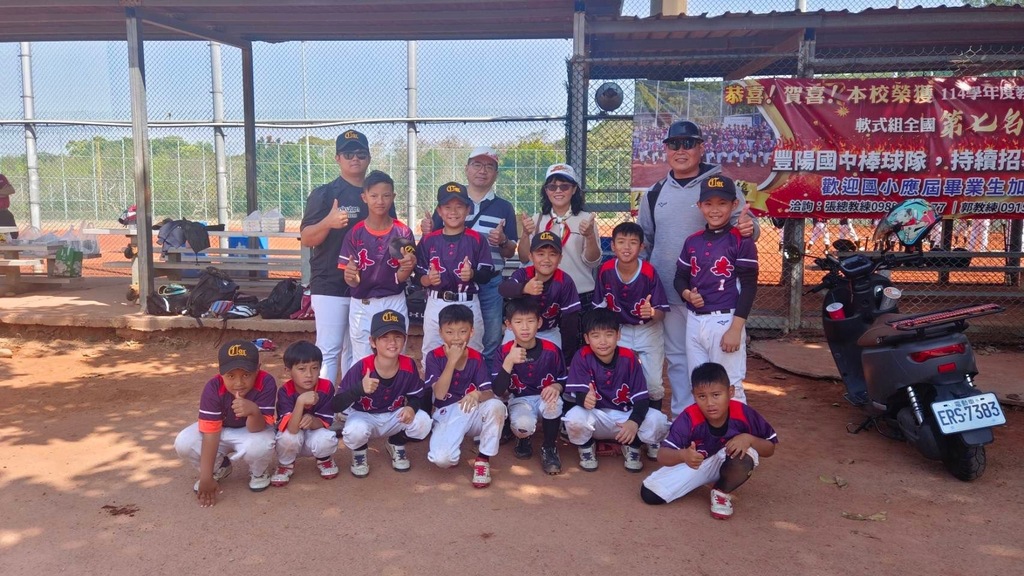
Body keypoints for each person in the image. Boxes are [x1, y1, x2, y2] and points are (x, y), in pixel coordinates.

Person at [638, 120, 757, 417]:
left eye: (688, 143)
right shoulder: (654, 193)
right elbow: (646, 241)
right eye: (674, 144)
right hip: (669, 291)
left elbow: (746, 227)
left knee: (719, 363)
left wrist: (749, 227)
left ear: (701, 148)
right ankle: (685, 417)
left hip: (714, 297)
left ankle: (723, 421)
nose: (681, 150)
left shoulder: (719, 185)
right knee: (679, 359)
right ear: (666, 150)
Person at [301, 129, 393, 384]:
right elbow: (307, 238)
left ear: (369, 158)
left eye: (361, 154)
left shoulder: (379, 193)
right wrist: (328, 223)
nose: (355, 159)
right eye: (348, 154)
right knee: (329, 349)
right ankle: (324, 402)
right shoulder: (325, 194)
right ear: (337, 158)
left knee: (358, 349)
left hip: (366, 287)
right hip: (330, 282)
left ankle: (350, 401)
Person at [640, 362, 778, 519]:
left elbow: (770, 447)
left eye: (716, 395)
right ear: (694, 395)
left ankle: (721, 491)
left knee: (747, 452)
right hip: (696, 463)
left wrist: (749, 439)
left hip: (728, 458)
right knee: (650, 494)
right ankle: (707, 479)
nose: (710, 403)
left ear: (730, 392)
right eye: (702, 396)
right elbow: (662, 455)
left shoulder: (743, 413)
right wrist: (683, 455)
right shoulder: (689, 418)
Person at [420, 147, 518, 367]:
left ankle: (482, 381)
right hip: (452, 284)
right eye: (477, 164)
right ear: (467, 169)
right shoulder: (451, 200)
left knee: (488, 338)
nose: (482, 171)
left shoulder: (504, 207)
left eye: (489, 166)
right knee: (445, 337)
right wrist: (427, 229)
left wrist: (503, 240)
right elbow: (435, 239)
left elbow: (510, 250)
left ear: (496, 173)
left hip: (489, 282)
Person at [674, 175, 758, 403]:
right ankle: (705, 427)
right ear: (699, 205)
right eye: (708, 203)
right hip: (695, 320)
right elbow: (680, 278)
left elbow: (749, 286)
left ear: (734, 205)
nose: (715, 209)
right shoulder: (693, 241)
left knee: (730, 385)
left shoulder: (741, 240)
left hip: (725, 319)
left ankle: (737, 427)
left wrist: (736, 329)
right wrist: (687, 294)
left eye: (722, 203)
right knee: (699, 384)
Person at [592, 221, 670, 459]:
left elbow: (661, 311)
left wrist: (652, 312)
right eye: (621, 242)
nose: (627, 247)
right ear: (613, 246)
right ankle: (625, 432)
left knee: (653, 384)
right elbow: (598, 307)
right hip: (620, 331)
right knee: (621, 380)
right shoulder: (606, 270)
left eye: (633, 242)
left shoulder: (648, 272)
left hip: (648, 329)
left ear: (641, 247)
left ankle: (652, 435)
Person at [562, 308, 669, 473]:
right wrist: (584, 399)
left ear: (618, 335)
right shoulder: (582, 356)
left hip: (625, 418)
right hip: (597, 418)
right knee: (573, 417)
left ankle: (633, 445)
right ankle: (587, 445)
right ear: (587, 338)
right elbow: (578, 395)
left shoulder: (629, 357)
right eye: (596, 336)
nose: (603, 341)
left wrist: (634, 422)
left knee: (659, 420)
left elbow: (641, 398)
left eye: (609, 334)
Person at [173, 339, 276, 507]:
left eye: (246, 375)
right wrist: (206, 478)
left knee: (259, 445)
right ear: (220, 373)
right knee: (184, 442)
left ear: (258, 369)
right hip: (219, 430)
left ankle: (259, 472)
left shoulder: (266, 382)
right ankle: (219, 467)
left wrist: (254, 411)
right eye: (231, 376)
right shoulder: (213, 387)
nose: (239, 383)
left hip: (251, 431)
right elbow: (211, 433)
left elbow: (257, 428)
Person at [333, 309, 432, 477]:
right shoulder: (362, 367)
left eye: (397, 337)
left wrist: (411, 408)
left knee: (423, 421)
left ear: (404, 339)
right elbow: (336, 405)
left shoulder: (408, 365)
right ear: (372, 342)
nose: (392, 342)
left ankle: (396, 443)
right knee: (354, 431)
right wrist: (359, 388)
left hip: (394, 416)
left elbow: (416, 396)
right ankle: (359, 451)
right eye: (385, 337)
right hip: (364, 416)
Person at [424, 304, 507, 488]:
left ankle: (483, 460)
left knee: (497, 406)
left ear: (471, 332)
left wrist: (477, 394)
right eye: (450, 332)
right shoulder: (434, 356)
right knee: (442, 460)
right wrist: (452, 361)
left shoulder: (476, 357)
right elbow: (439, 394)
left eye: (462, 331)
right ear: (440, 333)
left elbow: (489, 392)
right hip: (445, 413)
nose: (456, 338)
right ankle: (452, 444)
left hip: (471, 409)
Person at [339, 170, 416, 361]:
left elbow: (401, 277)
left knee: (395, 355)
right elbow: (353, 281)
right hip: (363, 303)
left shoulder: (403, 232)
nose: (380, 201)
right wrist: (350, 276)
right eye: (374, 196)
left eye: (386, 195)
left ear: (393, 197)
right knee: (363, 359)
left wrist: (407, 267)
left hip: (393, 299)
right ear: (364, 197)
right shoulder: (355, 233)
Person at [415, 182, 495, 360]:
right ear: (439, 211)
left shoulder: (477, 239)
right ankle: (433, 380)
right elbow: (417, 275)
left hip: (467, 301)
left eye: (459, 206)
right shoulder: (429, 240)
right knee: (432, 354)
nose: (453, 211)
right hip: (437, 301)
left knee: (472, 354)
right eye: (447, 207)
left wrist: (472, 274)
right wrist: (428, 279)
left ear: (468, 210)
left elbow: (487, 274)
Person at [491, 298, 567, 475]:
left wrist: (556, 387)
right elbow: (498, 390)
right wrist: (509, 361)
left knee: (554, 403)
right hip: (520, 399)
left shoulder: (551, 349)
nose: (525, 327)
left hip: (544, 397)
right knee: (523, 425)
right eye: (518, 322)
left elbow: (563, 379)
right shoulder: (503, 351)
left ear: (539, 322)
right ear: (509, 325)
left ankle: (549, 447)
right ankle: (523, 438)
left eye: (530, 321)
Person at [518, 164, 602, 315]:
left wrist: (589, 236)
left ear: (574, 189)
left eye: (564, 186)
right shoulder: (536, 220)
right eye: (552, 187)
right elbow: (524, 258)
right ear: (546, 190)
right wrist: (525, 234)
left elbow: (593, 261)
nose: (558, 191)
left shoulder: (586, 220)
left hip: (579, 292)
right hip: (544, 293)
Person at [498, 230, 581, 361]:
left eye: (552, 254)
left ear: (560, 258)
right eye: (540, 254)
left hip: (548, 331)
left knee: (555, 364)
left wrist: (567, 358)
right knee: (507, 361)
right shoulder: (523, 274)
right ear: (531, 256)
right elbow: (503, 289)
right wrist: (524, 288)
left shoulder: (565, 281)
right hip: (518, 330)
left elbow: (569, 322)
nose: (546, 259)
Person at [270, 341, 339, 487]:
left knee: (327, 438)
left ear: (320, 369)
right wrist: (300, 402)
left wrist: (312, 420)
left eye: (314, 368)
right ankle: (286, 464)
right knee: (287, 438)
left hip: (314, 433)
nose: (309, 374)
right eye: (301, 369)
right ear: (288, 370)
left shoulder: (326, 387)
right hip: (294, 434)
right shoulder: (285, 391)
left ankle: (324, 458)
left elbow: (325, 422)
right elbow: (292, 429)